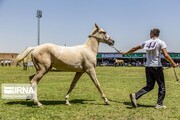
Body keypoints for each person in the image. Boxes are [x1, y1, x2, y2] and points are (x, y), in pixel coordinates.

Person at [121, 28, 177, 109]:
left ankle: (136, 95)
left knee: (149, 86)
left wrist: (126, 53)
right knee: (162, 86)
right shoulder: (161, 42)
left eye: (150, 32)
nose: (149, 34)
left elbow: (134, 48)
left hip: (148, 66)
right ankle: (159, 104)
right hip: (157, 66)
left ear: (153, 33)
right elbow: (166, 55)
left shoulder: (146, 42)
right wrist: (173, 63)